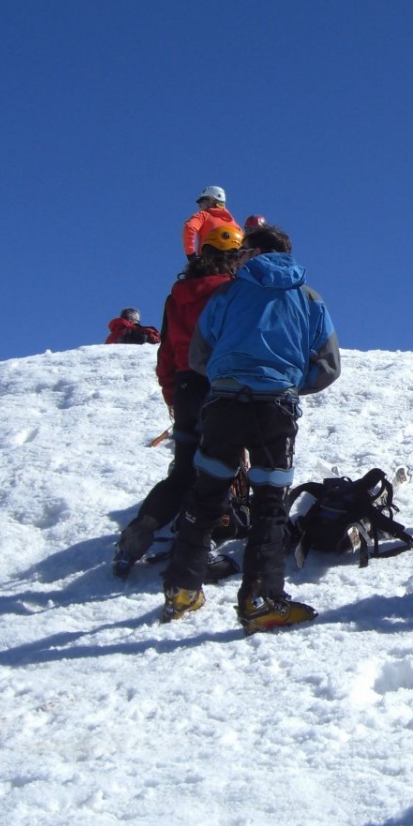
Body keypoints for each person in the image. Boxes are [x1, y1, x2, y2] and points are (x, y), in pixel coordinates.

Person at [160, 223, 340, 634]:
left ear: (255, 252)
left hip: (223, 404)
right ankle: (260, 599)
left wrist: (226, 376)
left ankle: (182, 589)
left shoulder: (227, 293)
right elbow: (329, 366)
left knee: (206, 494)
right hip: (275, 409)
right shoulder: (310, 299)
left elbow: (198, 353)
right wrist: (290, 383)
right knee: (270, 504)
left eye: (244, 251)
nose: (238, 257)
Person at [113, 223, 246, 578]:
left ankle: (139, 531)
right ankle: (205, 546)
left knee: (185, 469)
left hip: (186, 389)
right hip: (219, 387)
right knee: (219, 469)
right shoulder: (231, 291)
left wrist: (172, 393)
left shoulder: (177, 295)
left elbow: (167, 351)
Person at [182, 186, 239, 261]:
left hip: (208, 264)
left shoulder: (203, 215)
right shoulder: (235, 225)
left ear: (213, 201)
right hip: (230, 266)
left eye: (202, 201)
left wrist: (191, 255)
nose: (200, 205)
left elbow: (189, 227)